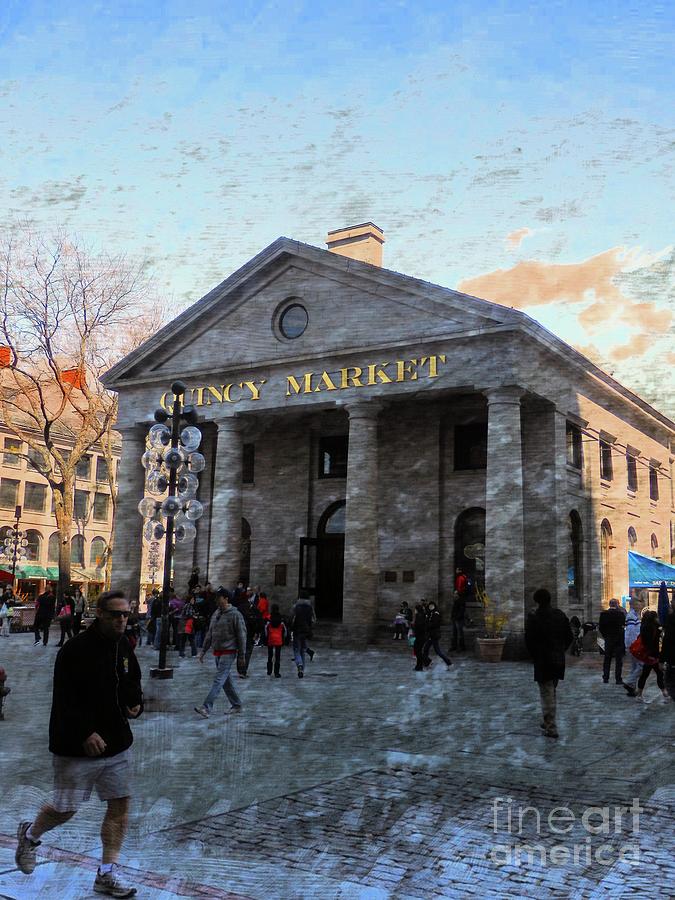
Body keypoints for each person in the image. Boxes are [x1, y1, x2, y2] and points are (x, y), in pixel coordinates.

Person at [15, 590, 142, 897]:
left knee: (119, 805)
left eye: (126, 614)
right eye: (115, 614)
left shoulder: (124, 645)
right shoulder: (75, 650)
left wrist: (135, 704)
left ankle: (107, 873)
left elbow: (132, 681)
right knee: (65, 808)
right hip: (77, 746)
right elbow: (65, 699)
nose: (122, 620)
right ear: (99, 613)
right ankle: (30, 836)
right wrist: (85, 733)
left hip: (116, 743)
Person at [524, 588, 573, 739]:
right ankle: (548, 721)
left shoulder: (535, 617)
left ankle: (551, 726)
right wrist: (560, 649)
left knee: (547, 692)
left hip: (543, 660)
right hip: (557, 659)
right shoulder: (559, 615)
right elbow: (569, 636)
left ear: (537, 601)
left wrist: (535, 655)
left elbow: (529, 640)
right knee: (551, 689)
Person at [194, 588, 246, 717]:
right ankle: (236, 704)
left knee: (219, 679)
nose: (216, 600)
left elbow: (241, 635)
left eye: (219, 597)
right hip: (218, 651)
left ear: (226, 598)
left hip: (229, 651)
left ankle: (206, 707)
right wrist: (203, 651)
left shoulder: (235, 615)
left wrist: (242, 656)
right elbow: (210, 634)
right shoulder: (216, 614)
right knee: (225, 680)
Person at [635, 609, 670, 702]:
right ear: (654, 618)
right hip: (652, 655)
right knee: (657, 673)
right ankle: (665, 693)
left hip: (649, 655)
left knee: (648, 674)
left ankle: (640, 694)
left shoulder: (646, 626)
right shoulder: (652, 628)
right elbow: (650, 643)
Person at [598, 598, 626, 684]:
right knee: (618, 660)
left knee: (607, 658)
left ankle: (606, 677)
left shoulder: (603, 614)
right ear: (617, 605)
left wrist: (606, 635)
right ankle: (618, 679)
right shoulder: (621, 614)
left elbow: (601, 627)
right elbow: (623, 625)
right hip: (618, 639)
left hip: (608, 639)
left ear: (610, 605)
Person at [622, 597, 644, 697]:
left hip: (634, 644)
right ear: (634, 604)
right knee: (640, 666)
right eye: (638, 603)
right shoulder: (632, 616)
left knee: (634, 666)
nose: (641, 605)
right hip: (635, 645)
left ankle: (631, 689)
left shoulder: (636, 615)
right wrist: (632, 645)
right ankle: (629, 682)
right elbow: (631, 632)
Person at [291, 594, 316, 678]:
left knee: (297, 650)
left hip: (297, 631)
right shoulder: (310, 608)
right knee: (302, 650)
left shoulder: (296, 607)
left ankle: (300, 665)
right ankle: (302, 669)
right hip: (306, 631)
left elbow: (292, 619)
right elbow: (314, 620)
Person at [422, 601, 452, 669]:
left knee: (438, 651)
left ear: (434, 606)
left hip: (434, 635)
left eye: (431, 605)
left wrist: (428, 624)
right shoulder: (430, 613)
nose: (430, 607)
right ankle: (427, 662)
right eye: (429, 606)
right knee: (425, 649)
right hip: (431, 635)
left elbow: (435, 624)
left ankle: (449, 662)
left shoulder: (436, 613)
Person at [265, 605, 287, 677]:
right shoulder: (281, 619)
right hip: (278, 639)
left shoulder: (268, 618)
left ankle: (269, 671)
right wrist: (284, 638)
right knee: (277, 657)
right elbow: (285, 631)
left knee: (270, 656)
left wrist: (266, 637)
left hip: (270, 639)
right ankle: (276, 673)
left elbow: (265, 629)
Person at [412, 602, 430, 671]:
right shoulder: (422, 615)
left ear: (417, 610)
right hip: (421, 636)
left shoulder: (419, 616)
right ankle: (419, 666)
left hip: (420, 636)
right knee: (418, 651)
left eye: (415, 609)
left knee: (417, 651)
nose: (415, 611)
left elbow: (419, 626)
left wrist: (413, 626)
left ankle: (424, 663)